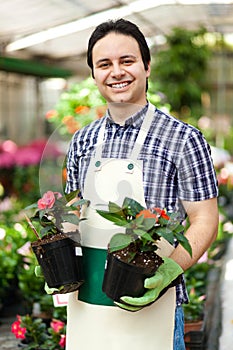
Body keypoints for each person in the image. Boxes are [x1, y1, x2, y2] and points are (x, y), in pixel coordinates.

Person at [65, 18, 218, 350]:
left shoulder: (183, 139)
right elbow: (72, 217)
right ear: (94, 75)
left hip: (155, 304)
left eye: (127, 61)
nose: (116, 72)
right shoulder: (82, 141)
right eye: (104, 64)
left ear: (146, 66)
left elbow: (205, 219)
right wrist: (55, 258)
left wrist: (170, 270)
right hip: (86, 307)